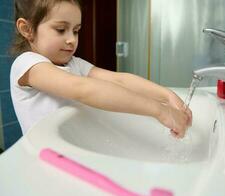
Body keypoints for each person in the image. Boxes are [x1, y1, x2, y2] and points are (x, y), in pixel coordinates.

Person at [10, 0, 192, 138]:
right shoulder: (27, 64)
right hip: (44, 161)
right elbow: (82, 89)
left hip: (72, 151)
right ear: (27, 29)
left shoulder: (74, 64)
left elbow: (119, 80)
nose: (72, 39)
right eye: (60, 29)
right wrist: (159, 111)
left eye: (76, 30)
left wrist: (166, 96)